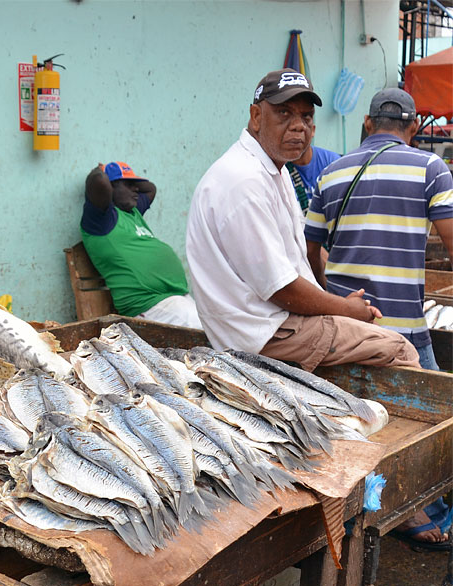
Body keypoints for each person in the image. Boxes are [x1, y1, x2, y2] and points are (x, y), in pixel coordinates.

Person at [186, 67, 420, 374]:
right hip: (265, 333)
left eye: (307, 117)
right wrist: (342, 307)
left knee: (365, 326)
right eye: (284, 113)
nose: (299, 127)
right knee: (400, 349)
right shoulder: (243, 181)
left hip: (279, 321)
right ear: (256, 117)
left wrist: (341, 304)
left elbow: (298, 254)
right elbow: (281, 289)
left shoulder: (275, 171)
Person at [305, 87, 453, 550]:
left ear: (368, 123)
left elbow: (310, 252)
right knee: (434, 423)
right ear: (412, 128)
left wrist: (331, 296)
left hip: (343, 328)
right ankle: (411, 510)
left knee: (357, 421)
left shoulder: (331, 171)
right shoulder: (431, 167)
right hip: (404, 329)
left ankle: (377, 505)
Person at [81, 162, 202, 329]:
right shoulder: (102, 220)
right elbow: (98, 181)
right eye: (129, 185)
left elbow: (150, 188)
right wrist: (101, 170)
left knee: (220, 328)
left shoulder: (133, 212)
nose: (136, 189)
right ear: (111, 188)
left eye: (135, 185)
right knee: (208, 333)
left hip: (174, 299)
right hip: (148, 305)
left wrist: (127, 180)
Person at [287, 135, 340, 215]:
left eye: (305, 123)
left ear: (313, 131)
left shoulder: (332, 162)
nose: (297, 132)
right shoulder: (278, 167)